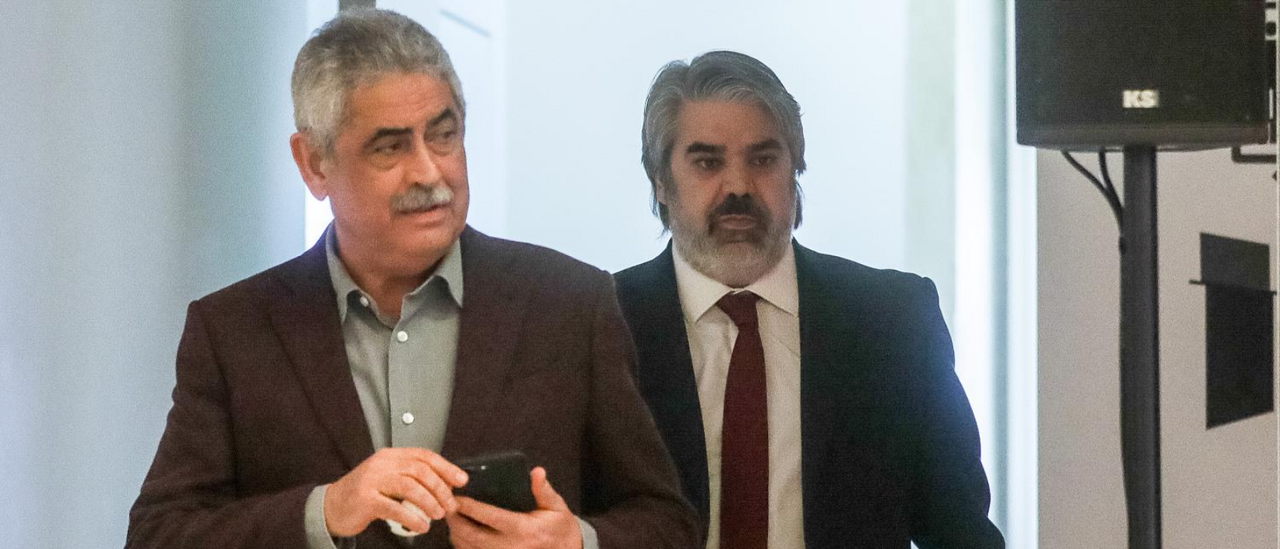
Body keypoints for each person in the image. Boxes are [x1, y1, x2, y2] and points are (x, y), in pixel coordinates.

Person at [126, 9, 696, 549]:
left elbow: (667, 523)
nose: (429, 172)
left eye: (443, 135)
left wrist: (576, 542)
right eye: (390, 147)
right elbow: (159, 534)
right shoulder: (234, 330)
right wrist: (325, 511)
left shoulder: (570, 305)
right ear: (314, 164)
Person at [614, 50, 1005, 549]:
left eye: (763, 160)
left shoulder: (892, 322)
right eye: (708, 162)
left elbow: (960, 530)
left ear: (795, 171)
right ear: (661, 182)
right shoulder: (604, 323)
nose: (738, 186)